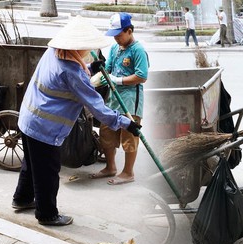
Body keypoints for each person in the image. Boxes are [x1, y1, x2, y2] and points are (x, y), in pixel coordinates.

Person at [11, 16, 141, 226]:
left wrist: (92, 69)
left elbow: (79, 72)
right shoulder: (71, 71)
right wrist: (127, 123)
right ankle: (47, 214)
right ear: (78, 47)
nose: (89, 52)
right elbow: (98, 108)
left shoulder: (52, 52)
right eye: (87, 48)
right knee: (48, 172)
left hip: (28, 118)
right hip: (44, 127)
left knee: (31, 164)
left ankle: (22, 199)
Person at [89, 13, 149, 185]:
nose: (116, 38)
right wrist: (100, 76)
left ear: (129, 31)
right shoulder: (115, 48)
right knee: (106, 132)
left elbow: (142, 76)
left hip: (130, 100)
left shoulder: (138, 50)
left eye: (119, 34)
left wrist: (119, 80)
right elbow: (107, 68)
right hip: (113, 99)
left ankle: (128, 172)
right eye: (114, 35)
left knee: (129, 136)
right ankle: (110, 167)